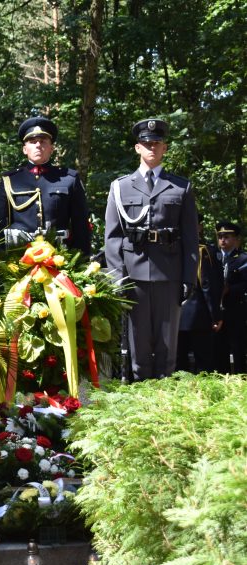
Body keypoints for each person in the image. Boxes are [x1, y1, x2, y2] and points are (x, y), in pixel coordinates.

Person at [104, 118, 198, 381]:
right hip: (133, 278)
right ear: (137, 148)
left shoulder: (181, 187)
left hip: (169, 275)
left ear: (165, 147)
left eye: (156, 143)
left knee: (167, 349)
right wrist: (117, 279)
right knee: (139, 349)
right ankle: (140, 402)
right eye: (146, 143)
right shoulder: (120, 187)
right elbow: (112, 238)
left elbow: (191, 239)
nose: (152, 148)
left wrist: (189, 278)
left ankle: (164, 405)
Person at [0, 116, 91, 254]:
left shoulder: (69, 179)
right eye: (32, 142)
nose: (38, 145)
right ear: (24, 149)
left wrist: (81, 261)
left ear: (51, 148)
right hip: (17, 259)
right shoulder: (9, 180)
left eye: (43, 141)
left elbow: (81, 227)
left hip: (60, 259)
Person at [176, 214, 222, 373]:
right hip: (198, 316)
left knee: (179, 366)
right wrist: (216, 315)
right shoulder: (201, 251)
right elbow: (207, 285)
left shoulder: (170, 250)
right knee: (204, 364)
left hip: (175, 315)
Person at [213, 221, 247, 373]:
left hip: (237, 311)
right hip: (217, 312)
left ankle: (240, 382)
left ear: (236, 239)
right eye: (220, 236)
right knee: (219, 351)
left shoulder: (243, 259)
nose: (223, 240)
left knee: (238, 350)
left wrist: (229, 290)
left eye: (227, 236)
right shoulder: (213, 258)